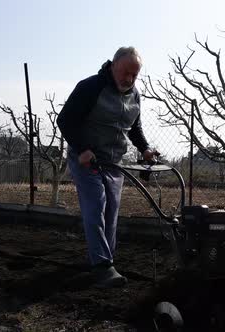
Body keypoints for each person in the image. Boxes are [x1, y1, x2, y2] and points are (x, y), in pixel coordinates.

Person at [57, 46, 157, 288]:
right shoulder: (91, 87)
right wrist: (82, 149)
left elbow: (133, 128)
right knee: (96, 206)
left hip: (113, 162)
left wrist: (145, 149)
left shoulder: (134, 96)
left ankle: (104, 259)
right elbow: (65, 120)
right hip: (87, 158)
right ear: (113, 66)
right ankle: (102, 266)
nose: (129, 79)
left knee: (111, 212)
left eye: (134, 75)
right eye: (125, 73)